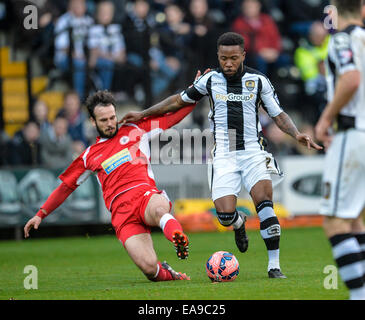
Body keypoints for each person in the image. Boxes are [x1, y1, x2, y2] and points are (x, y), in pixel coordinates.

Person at [121, 32, 322, 278]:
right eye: (224, 58)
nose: (228, 63)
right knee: (224, 216)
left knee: (265, 203)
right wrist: (143, 113)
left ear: (243, 56)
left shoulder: (258, 81)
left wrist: (296, 134)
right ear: (218, 56)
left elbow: (278, 114)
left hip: (253, 151)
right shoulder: (210, 80)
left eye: (234, 58)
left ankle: (274, 266)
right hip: (224, 155)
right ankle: (238, 224)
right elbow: (178, 101)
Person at [24, 90, 195, 282]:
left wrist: (197, 93)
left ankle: (177, 238)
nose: (110, 123)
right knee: (149, 268)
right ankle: (170, 274)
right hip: (122, 215)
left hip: (144, 196)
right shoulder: (89, 155)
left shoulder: (135, 129)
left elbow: (174, 117)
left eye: (113, 117)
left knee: (158, 209)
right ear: (92, 121)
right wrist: (40, 214)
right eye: (104, 120)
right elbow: (65, 187)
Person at [315, 0, 365, 300]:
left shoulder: (341, 39)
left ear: (332, 12)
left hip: (352, 133)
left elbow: (350, 79)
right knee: (355, 218)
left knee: (334, 221)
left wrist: (325, 118)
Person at [54, 0, 94, 101]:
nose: (78, 6)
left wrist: (92, 57)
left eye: (81, 4)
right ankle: (79, 99)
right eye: (75, 4)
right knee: (79, 64)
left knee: (105, 63)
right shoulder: (64, 20)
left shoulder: (89, 21)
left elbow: (96, 43)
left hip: (85, 57)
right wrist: (75, 54)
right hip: (64, 58)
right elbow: (61, 45)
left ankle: (104, 96)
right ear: (70, 6)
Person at [88, 0, 127, 91]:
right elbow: (95, 51)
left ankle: (121, 93)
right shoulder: (93, 29)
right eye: (102, 12)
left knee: (131, 64)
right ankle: (105, 92)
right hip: (101, 61)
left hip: (114, 59)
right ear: (97, 14)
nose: (105, 15)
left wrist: (119, 56)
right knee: (107, 64)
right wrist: (112, 57)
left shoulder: (116, 29)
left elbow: (122, 50)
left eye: (108, 12)